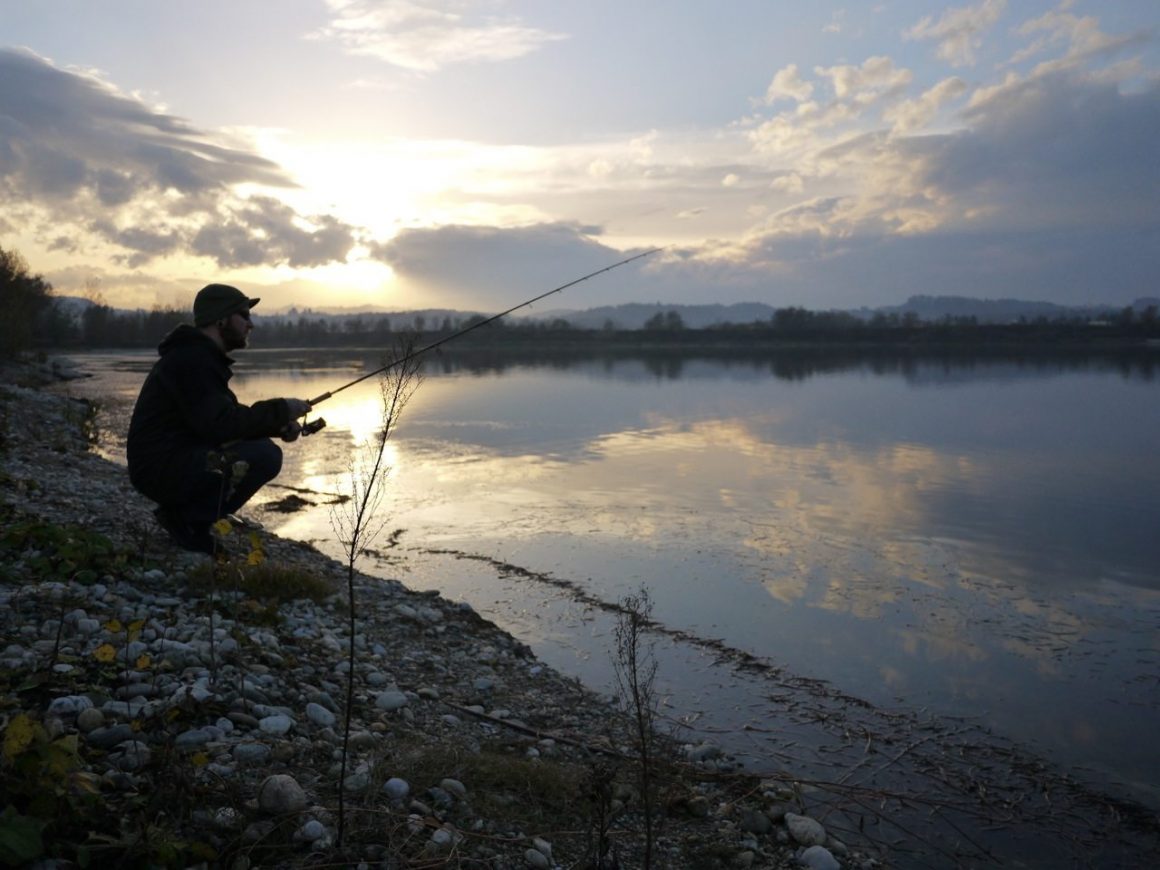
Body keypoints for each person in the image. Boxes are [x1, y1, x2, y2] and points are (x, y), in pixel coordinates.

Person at [127, 283, 312, 554]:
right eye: (244, 316)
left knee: (259, 446)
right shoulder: (193, 361)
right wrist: (281, 408)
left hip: (168, 460)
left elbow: (224, 420)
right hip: (160, 468)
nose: (251, 324)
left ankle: (188, 515)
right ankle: (188, 521)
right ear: (222, 319)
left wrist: (277, 425)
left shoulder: (199, 357)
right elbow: (222, 425)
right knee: (265, 455)